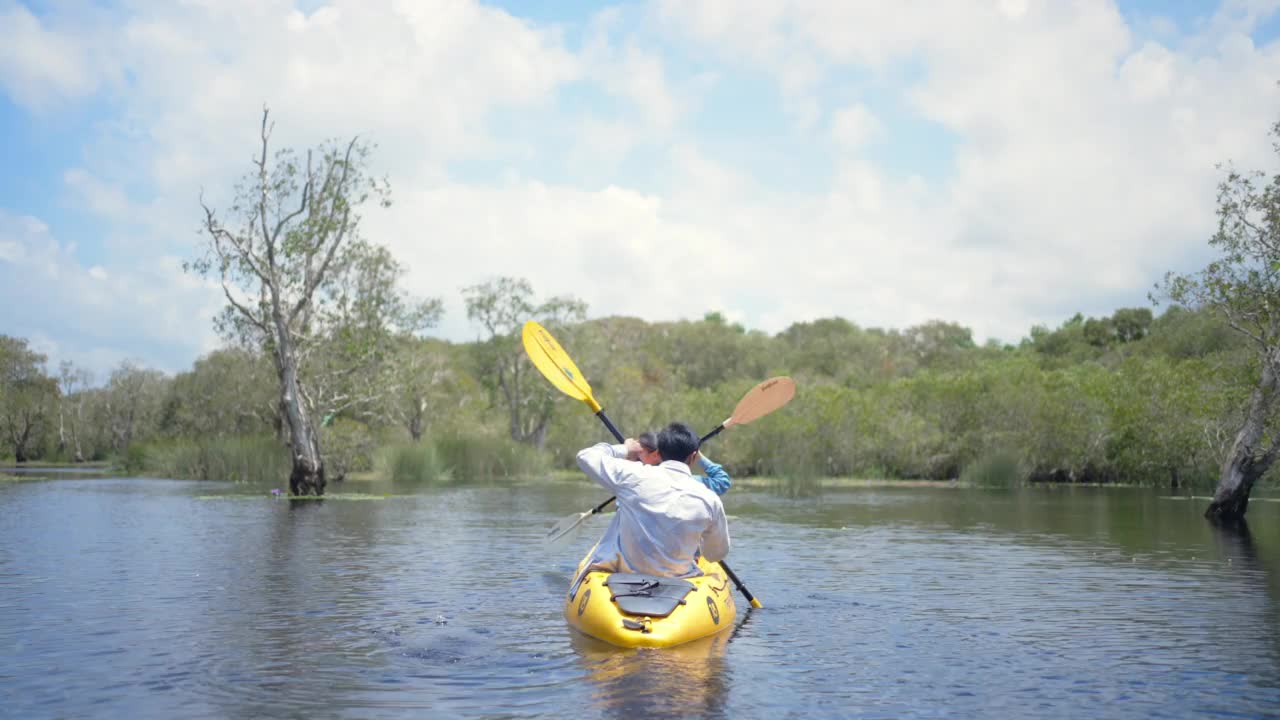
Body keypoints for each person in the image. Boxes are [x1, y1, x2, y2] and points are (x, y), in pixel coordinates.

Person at [575, 422, 730, 579]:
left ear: (659, 452)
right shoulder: (710, 499)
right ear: (693, 456)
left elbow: (585, 456)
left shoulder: (633, 475)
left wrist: (626, 448)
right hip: (679, 581)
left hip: (625, 576)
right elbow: (715, 555)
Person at [633, 430, 732, 496]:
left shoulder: (635, 479)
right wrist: (699, 456)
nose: (636, 454)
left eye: (639, 452)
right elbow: (722, 482)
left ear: (656, 454)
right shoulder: (692, 482)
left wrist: (626, 454)